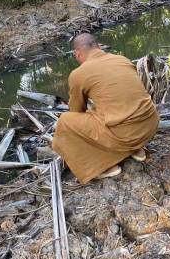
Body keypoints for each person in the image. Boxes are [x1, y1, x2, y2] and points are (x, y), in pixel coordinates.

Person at [52, 33, 159, 183]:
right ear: (98, 46)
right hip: (150, 124)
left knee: (65, 122)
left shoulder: (78, 74)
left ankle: (105, 167)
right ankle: (136, 149)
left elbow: (76, 111)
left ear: (77, 54)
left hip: (125, 134)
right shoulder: (122, 59)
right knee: (111, 109)